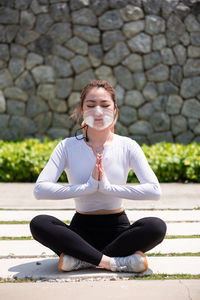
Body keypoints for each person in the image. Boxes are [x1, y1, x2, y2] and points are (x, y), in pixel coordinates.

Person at [30, 80, 167, 274]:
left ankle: (81, 259)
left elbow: (154, 191)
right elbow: (40, 190)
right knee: (39, 223)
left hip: (119, 230)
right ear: (82, 110)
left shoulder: (128, 145)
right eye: (91, 105)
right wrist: (89, 186)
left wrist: (107, 187)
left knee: (156, 226)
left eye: (105, 105)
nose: (98, 111)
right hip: (80, 231)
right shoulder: (67, 146)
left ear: (115, 110)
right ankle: (112, 262)